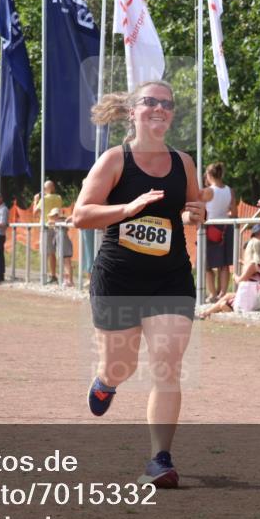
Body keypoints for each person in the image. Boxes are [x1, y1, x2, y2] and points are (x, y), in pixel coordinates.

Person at [73, 80, 206, 488]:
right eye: (151, 102)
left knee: (167, 363)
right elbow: (81, 215)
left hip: (170, 278)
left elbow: (190, 209)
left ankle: (159, 459)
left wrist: (195, 215)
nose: (160, 108)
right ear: (133, 112)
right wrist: (128, 208)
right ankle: (106, 381)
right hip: (119, 278)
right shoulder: (115, 160)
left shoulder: (183, 162)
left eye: (167, 104)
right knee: (122, 365)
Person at [198, 222, 260, 319]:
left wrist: (235, 276)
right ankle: (214, 311)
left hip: (254, 300)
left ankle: (208, 313)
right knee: (226, 299)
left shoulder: (253, 265)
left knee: (226, 299)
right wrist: (243, 263)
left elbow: (240, 281)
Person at [203, 162, 235, 303]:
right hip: (226, 228)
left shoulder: (207, 191)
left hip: (209, 228)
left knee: (206, 264)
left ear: (209, 175)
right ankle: (222, 293)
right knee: (224, 263)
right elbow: (234, 213)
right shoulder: (230, 191)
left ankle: (212, 294)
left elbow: (201, 211)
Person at [32, 180, 63, 283]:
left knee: (46, 252)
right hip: (56, 227)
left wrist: (35, 201)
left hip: (46, 228)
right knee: (54, 252)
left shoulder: (44, 199)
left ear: (45, 189)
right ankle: (54, 274)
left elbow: (35, 213)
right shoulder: (59, 197)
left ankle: (47, 274)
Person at [47, 207, 74, 287]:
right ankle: (67, 279)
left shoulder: (61, 221)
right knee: (64, 263)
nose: (52, 218)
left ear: (57, 215)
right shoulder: (58, 222)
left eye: (53, 216)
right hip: (61, 244)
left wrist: (53, 222)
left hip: (64, 245)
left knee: (67, 262)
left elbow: (58, 222)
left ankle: (70, 280)